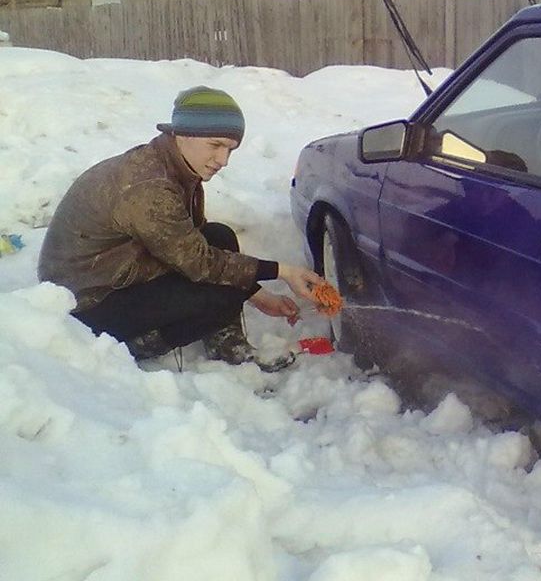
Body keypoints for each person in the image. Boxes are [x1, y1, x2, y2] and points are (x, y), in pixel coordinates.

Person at [38, 85, 326, 371]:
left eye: (230, 149)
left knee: (219, 236)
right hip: (87, 302)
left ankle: (228, 345)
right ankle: (132, 346)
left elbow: (193, 242)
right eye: (215, 145)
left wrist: (258, 296)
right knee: (222, 294)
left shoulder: (175, 165)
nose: (223, 160)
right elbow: (198, 263)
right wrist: (283, 272)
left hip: (121, 271)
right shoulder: (151, 186)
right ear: (185, 133)